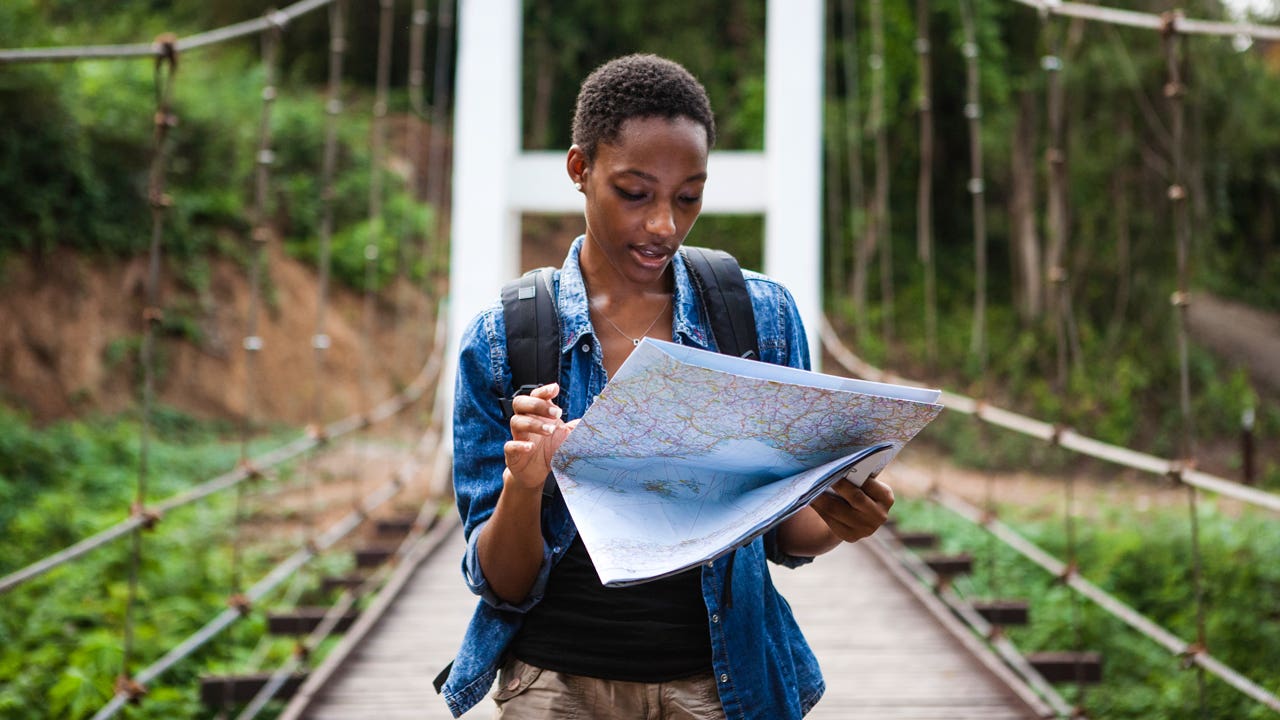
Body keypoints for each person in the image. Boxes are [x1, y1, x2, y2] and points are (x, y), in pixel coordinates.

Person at [439, 53, 895, 719]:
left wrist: (838, 517)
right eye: (634, 193)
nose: (664, 227)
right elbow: (501, 582)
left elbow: (786, 534)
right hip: (553, 689)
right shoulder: (502, 340)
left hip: (721, 688)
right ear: (579, 170)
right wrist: (525, 484)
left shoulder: (760, 318)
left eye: (688, 197)